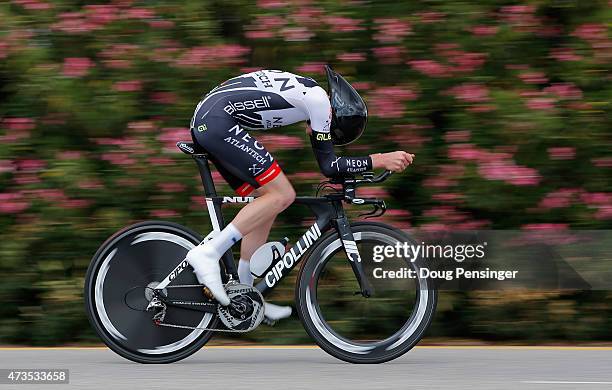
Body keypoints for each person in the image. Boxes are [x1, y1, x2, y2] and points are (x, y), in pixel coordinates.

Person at [186, 66, 414, 321]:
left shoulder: (308, 92)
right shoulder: (318, 102)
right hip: (216, 120)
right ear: (334, 117)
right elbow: (329, 166)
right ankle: (208, 254)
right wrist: (380, 159)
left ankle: (245, 292)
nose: (314, 134)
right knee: (282, 195)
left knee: (268, 200)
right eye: (330, 134)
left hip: (212, 118)